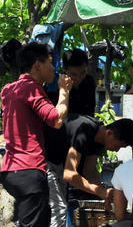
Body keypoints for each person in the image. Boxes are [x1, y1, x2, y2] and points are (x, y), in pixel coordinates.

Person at [0, 42, 72, 227]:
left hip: (10, 170)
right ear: (37, 65)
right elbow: (56, 120)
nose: (54, 68)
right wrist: (64, 91)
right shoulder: (31, 88)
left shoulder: (8, 90)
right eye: (50, 62)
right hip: (29, 170)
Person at [59, 117, 133, 216]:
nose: (117, 150)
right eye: (118, 146)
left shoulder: (100, 140)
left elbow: (90, 171)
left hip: (59, 169)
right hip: (47, 163)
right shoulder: (85, 130)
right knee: (59, 212)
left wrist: (105, 196)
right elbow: (69, 174)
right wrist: (102, 192)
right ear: (109, 133)